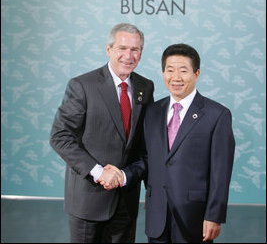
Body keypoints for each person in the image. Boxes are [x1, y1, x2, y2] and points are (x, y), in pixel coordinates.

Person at [101, 43, 235, 243]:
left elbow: (221, 172)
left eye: (183, 71)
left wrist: (214, 216)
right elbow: (147, 159)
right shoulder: (152, 112)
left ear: (196, 73)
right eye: (170, 70)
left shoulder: (217, 115)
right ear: (163, 73)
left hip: (195, 217)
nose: (176, 78)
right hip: (157, 215)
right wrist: (123, 174)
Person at [50, 23, 154, 243]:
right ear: (108, 50)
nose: (128, 55)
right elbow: (60, 136)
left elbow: (146, 145)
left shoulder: (146, 87)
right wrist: (98, 172)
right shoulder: (82, 85)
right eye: (122, 48)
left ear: (141, 53)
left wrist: (131, 178)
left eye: (135, 50)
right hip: (89, 201)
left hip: (126, 200)